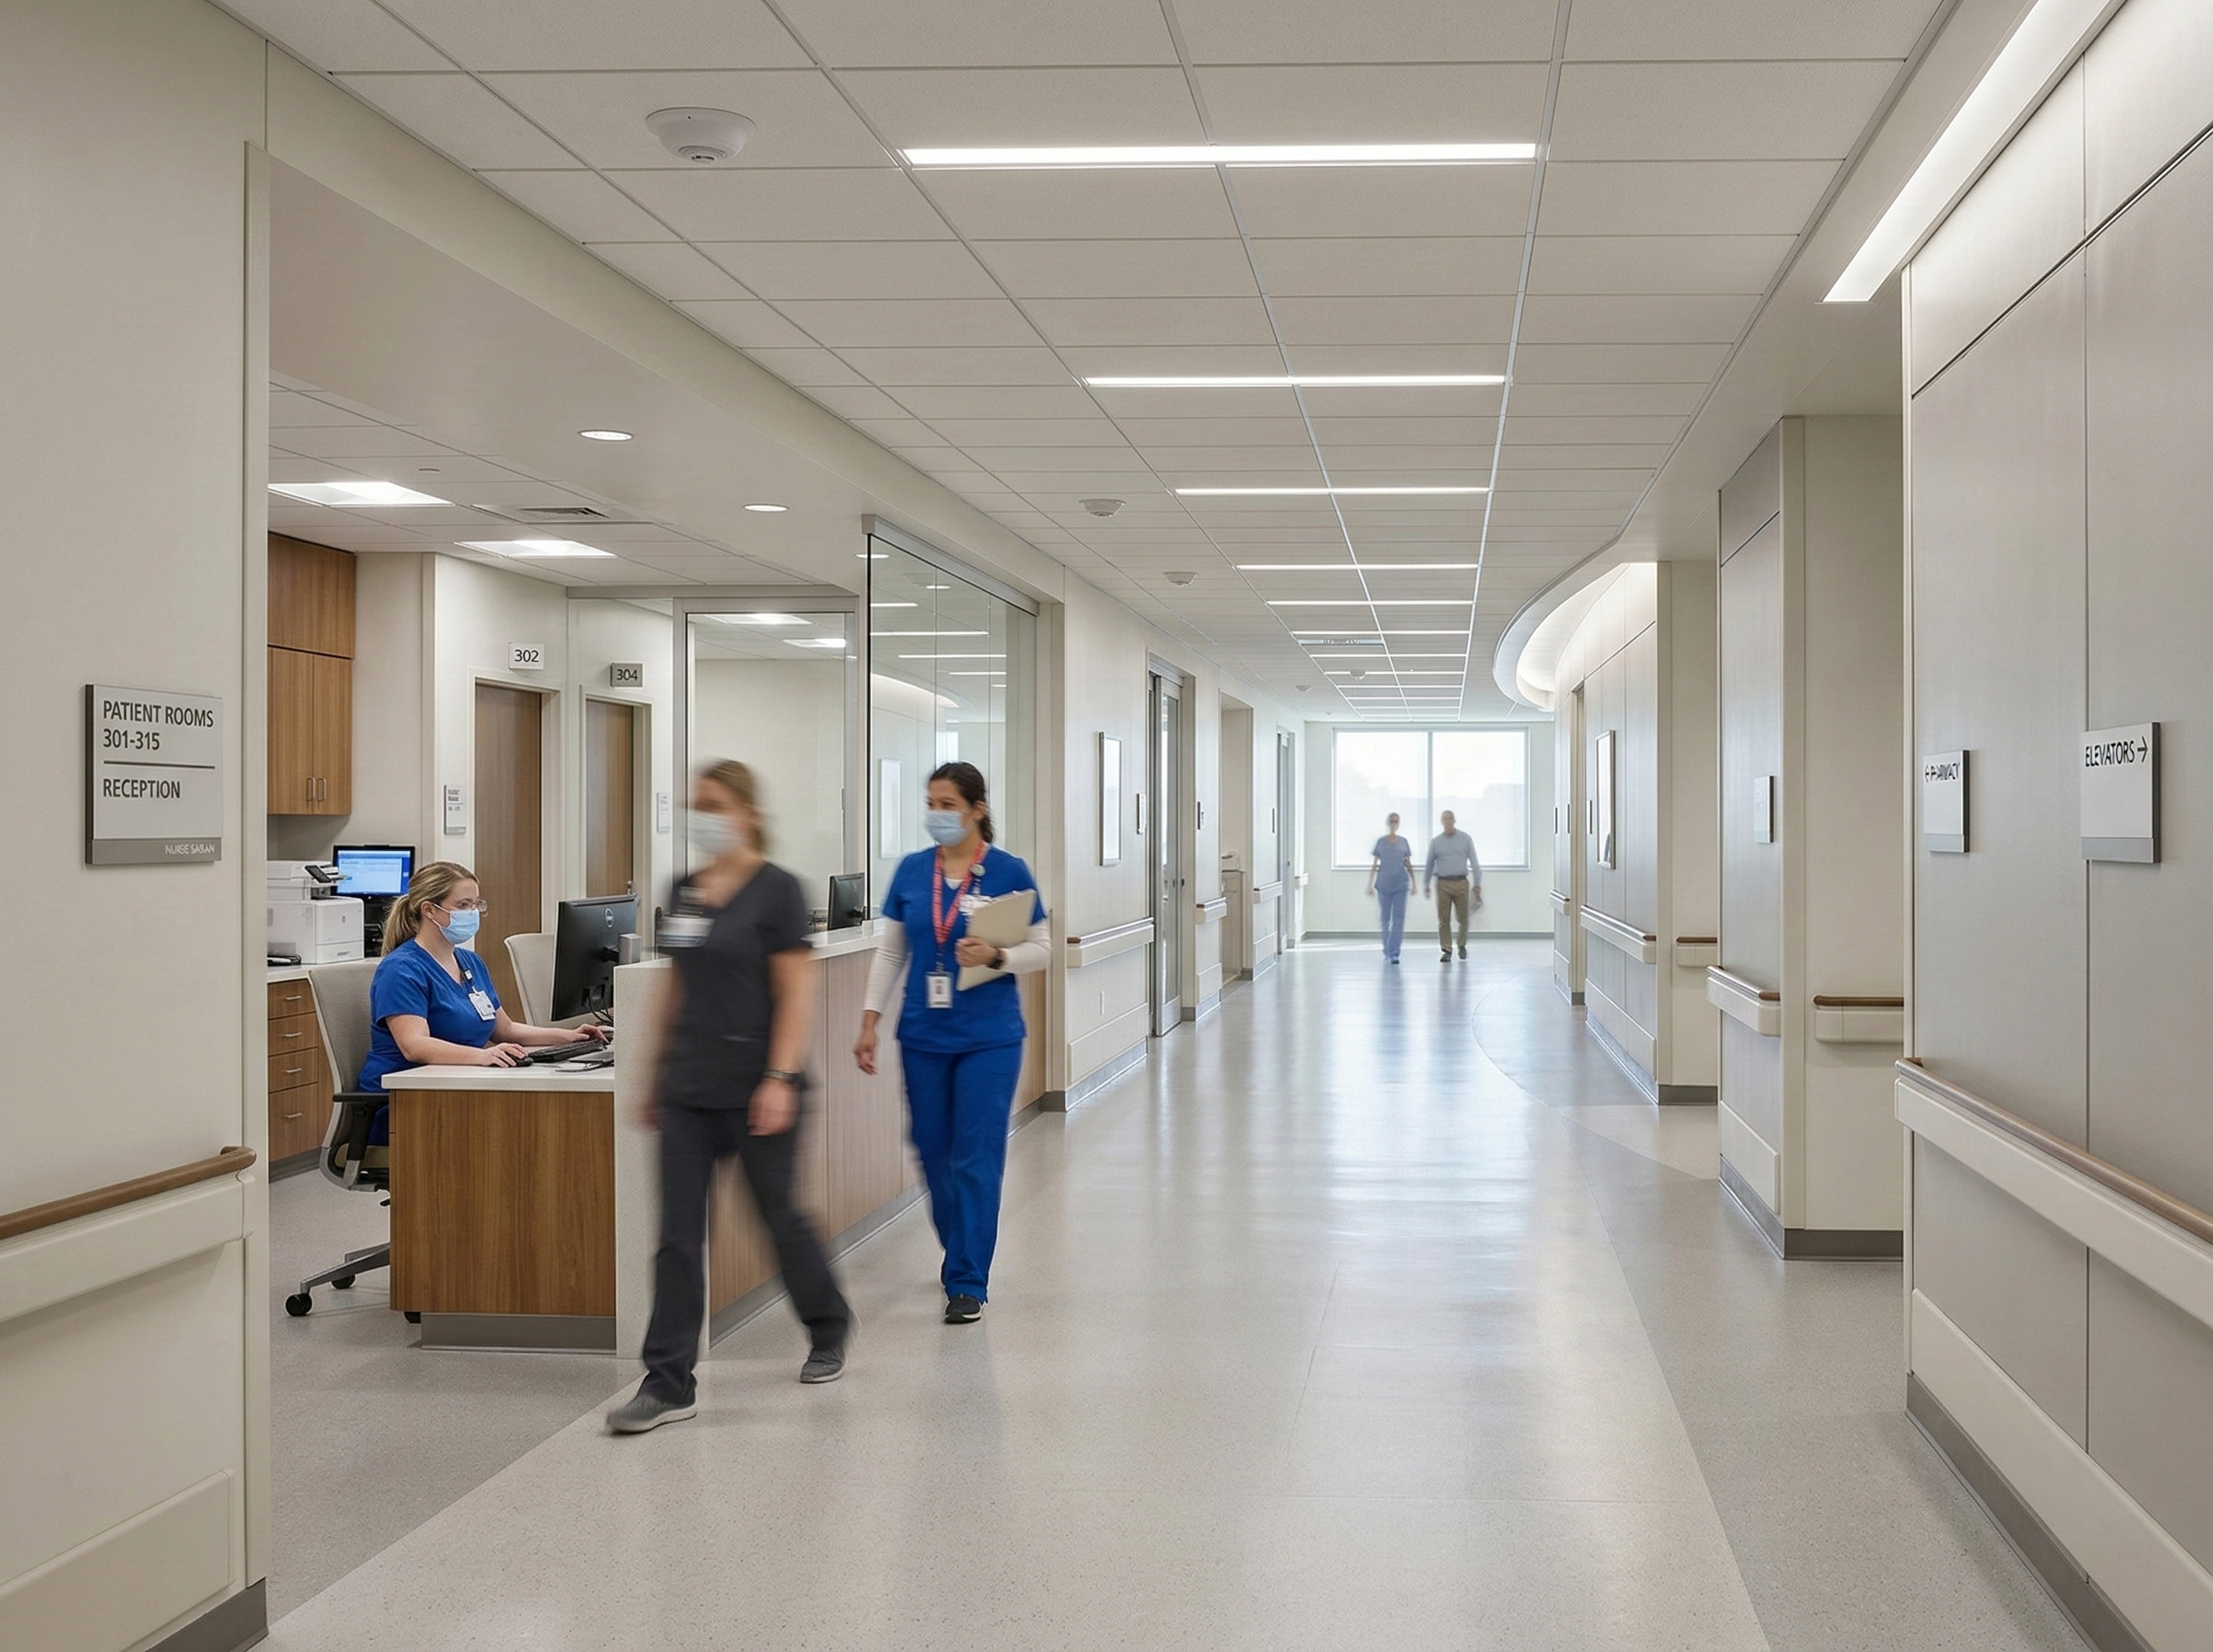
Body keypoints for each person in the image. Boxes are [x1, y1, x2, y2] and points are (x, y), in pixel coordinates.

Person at [609, 761, 852, 1435]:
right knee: (678, 1236)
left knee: (776, 1217)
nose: (701, 816)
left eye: (713, 804)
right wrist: (653, 1073)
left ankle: (828, 1325)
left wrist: (778, 1079)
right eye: (696, 804)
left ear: (746, 812)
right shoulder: (685, 890)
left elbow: (796, 993)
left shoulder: (777, 892)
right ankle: (666, 1382)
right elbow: (675, 985)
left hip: (757, 1086)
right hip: (689, 1085)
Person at [855, 761, 1048, 1325]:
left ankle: (968, 1279)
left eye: (947, 805)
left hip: (990, 1037)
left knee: (977, 1156)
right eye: (931, 803)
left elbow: (1043, 948)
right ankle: (958, 1243)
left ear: (976, 810)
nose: (936, 815)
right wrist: (869, 1020)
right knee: (931, 1149)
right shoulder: (913, 872)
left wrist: (998, 956)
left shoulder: (1008, 870)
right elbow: (892, 953)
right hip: (922, 1033)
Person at [356, 860, 603, 1140]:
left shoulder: (468, 962)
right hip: (406, 1103)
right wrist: (483, 1056)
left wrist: (569, 1037)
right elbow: (415, 1046)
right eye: (463, 905)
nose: (472, 913)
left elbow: (504, 1030)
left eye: (476, 904)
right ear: (428, 910)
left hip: (459, 1088)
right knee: (528, 1130)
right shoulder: (401, 969)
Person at [1424, 810, 1484, 962]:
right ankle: (1446, 949)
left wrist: (1477, 884)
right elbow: (1429, 864)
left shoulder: (1465, 839)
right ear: (1442, 822)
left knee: (1463, 917)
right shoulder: (1436, 842)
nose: (1448, 821)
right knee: (1444, 918)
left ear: (1454, 821)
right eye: (1445, 819)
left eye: (1450, 819)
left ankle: (1462, 945)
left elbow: (1474, 862)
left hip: (1461, 883)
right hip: (1443, 883)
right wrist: (1426, 884)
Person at [1365, 812, 1415, 964]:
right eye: (1392, 821)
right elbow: (1375, 865)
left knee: (1398, 919)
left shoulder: (1403, 842)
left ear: (1398, 824)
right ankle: (1387, 949)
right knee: (1385, 919)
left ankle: (1394, 952)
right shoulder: (1381, 842)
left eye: (1396, 821)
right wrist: (1369, 884)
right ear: (1388, 823)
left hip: (1400, 885)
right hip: (1384, 886)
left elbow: (1408, 863)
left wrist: (1414, 883)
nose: (1394, 823)